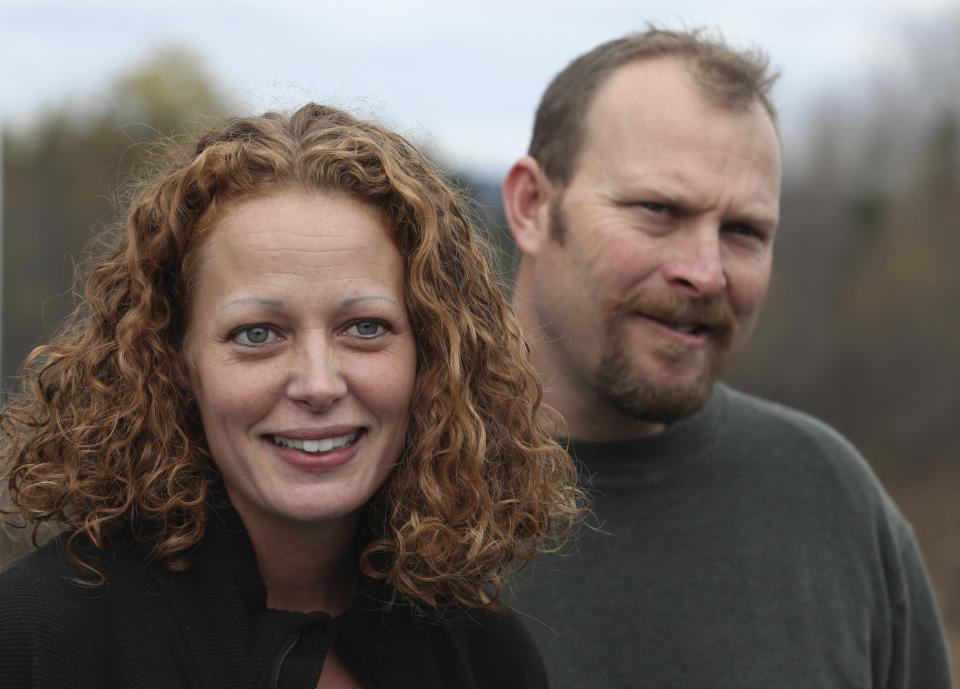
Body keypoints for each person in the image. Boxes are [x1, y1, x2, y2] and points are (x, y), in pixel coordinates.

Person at [0, 103, 581, 689]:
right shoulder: (40, 636)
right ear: (174, 357)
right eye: (258, 335)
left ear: (431, 353)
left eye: (365, 328)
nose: (319, 384)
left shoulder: (483, 655)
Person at [501, 28, 954, 688]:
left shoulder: (829, 501)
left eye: (744, 231)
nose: (706, 272)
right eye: (658, 209)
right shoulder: (378, 492)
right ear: (532, 206)